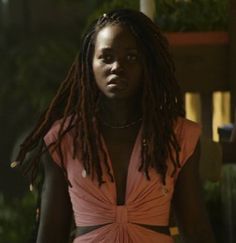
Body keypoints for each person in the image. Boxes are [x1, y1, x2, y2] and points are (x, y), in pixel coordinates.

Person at [14, 9, 216, 243]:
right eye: (106, 57)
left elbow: (196, 231)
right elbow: (51, 236)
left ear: (148, 65)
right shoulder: (64, 138)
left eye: (131, 57)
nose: (117, 66)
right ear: (89, 63)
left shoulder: (176, 136)